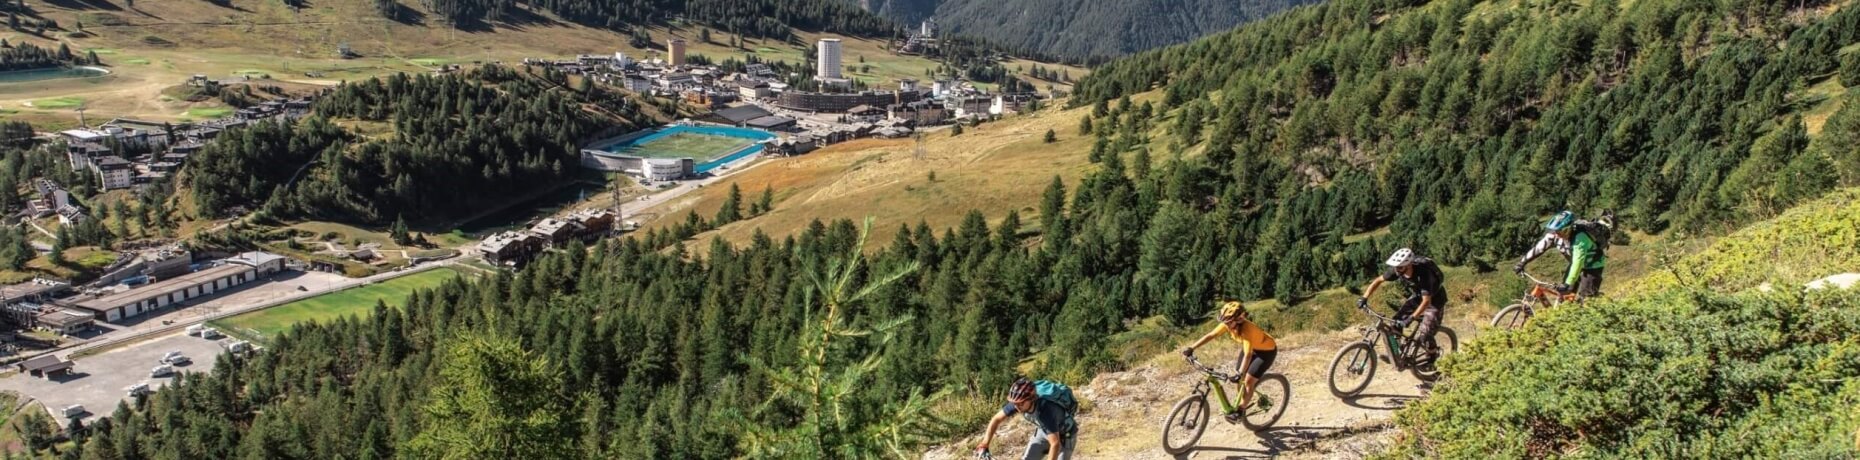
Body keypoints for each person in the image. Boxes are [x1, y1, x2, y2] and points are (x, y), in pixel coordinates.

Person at [1177, 301, 1276, 419]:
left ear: (1239, 320)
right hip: (1251, 349)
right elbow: (1211, 335)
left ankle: (1241, 410)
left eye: (1229, 322)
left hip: (1266, 352)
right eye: (1225, 322)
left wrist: (1240, 373)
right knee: (1240, 379)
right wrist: (1191, 348)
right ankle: (1241, 400)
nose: (1226, 325)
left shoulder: (1246, 330)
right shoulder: (1228, 323)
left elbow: (1248, 355)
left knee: (1248, 381)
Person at [1359, 248, 1447, 364]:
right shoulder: (1397, 270)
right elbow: (1378, 281)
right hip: (1418, 297)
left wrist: (1412, 317)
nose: (1397, 270)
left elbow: (1426, 302)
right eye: (1396, 267)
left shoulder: (1424, 274)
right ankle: (1397, 354)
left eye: (1400, 267)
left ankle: (1432, 356)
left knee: (1425, 335)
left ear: (1409, 264)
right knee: (1395, 323)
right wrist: (1364, 297)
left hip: (1434, 301)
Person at [1513, 210, 1611, 298]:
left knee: (1586, 299)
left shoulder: (1580, 238)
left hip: (1592, 266)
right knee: (1564, 294)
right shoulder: (1554, 235)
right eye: (1556, 231)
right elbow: (1538, 249)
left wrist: (1568, 283)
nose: (1557, 234)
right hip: (1574, 265)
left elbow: (1578, 262)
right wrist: (1522, 263)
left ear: (1568, 228)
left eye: (1560, 231)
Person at [976, 378, 1077, 460]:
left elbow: (1055, 443)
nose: (1016, 406)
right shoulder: (1018, 403)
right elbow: (996, 419)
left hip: (1066, 435)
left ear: (1032, 399)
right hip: (1045, 430)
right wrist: (984, 443)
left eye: (1021, 403)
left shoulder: (1045, 410)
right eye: (1015, 403)